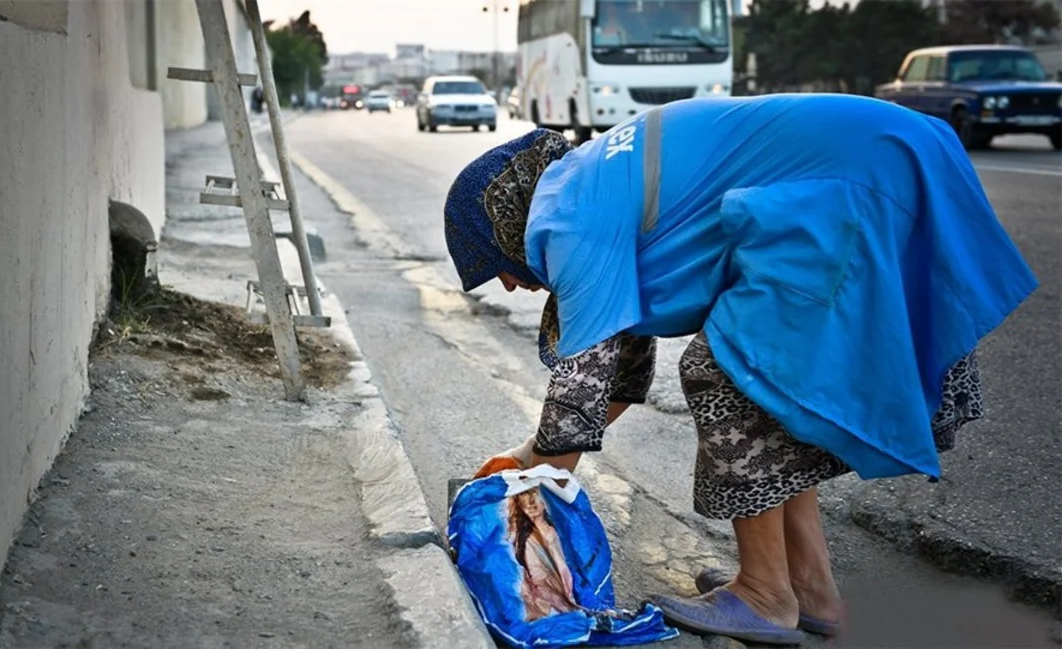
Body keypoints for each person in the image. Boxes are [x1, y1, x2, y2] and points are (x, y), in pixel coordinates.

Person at [443, 94, 1037, 646]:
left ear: (501, 222)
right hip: (887, 153)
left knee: (729, 367)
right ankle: (808, 589)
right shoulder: (585, 183)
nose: (509, 282)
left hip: (862, 175)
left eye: (494, 263)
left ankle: (764, 594)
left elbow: (579, 403)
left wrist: (504, 496)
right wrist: (520, 461)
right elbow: (617, 378)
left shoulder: (568, 215)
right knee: (770, 382)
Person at [506, 489, 581, 620]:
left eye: (535, 494)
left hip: (556, 592)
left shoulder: (556, 531)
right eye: (524, 494)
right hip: (536, 592)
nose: (531, 502)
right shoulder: (521, 536)